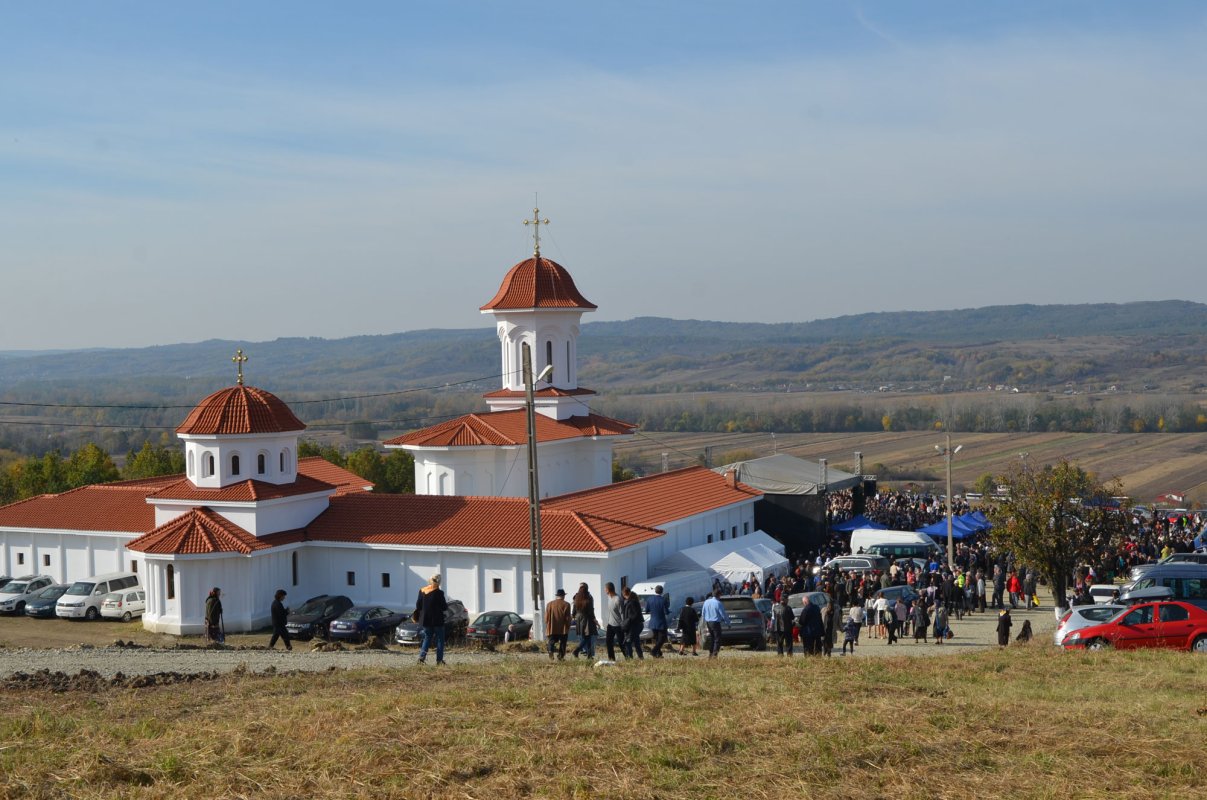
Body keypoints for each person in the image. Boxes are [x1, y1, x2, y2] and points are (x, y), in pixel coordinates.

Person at [416, 573, 448, 665]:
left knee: (427, 638)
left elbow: (418, 606)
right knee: (440, 640)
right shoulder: (439, 593)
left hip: (425, 620)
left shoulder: (422, 591)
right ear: (439, 582)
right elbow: (444, 607)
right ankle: (439, 660)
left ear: (430, 580)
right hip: (438, 621)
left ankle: (421, 658)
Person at [571, 583, 598, 659]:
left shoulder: (576, 597)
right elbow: (591, 610)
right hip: (587, 618)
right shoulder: (589, 597)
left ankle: (589, 655)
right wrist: (594, 620)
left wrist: (573, 616)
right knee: (587, 637)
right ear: (587, 588)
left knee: (585, 637)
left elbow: (574, 610)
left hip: (579, 619)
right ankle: (577, 650)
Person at [700, 589, 730, 659]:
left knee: (712, 638)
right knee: (717, 639)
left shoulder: (706, 602)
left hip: (708, 622)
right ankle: (715, 654)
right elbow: (723, 614)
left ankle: (711, 653)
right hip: (715, 622)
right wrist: (728, 623)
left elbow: (703, 613)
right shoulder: (718, 603)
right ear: (719, 595)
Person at [545, 588, 572, 661]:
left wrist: (547, 624)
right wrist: (568, 625)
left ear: (557, 596)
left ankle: (550, 650)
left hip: (552, 627)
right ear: (563, 596)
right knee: (563, 642)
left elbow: (546, 617)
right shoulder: (566, 604)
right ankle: (560, 656)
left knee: (551, 641)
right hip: (562, 628)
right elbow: (567, 617)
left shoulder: (549, 604)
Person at [620, 586, 645, 660]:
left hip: (634, 625)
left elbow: (634, 615)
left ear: (624, 594)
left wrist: (627, 622)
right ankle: (640, 657)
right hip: (636, 625)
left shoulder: (632, 602)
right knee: (636, 641)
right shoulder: (632, 601)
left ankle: (630, 658)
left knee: (627, 642)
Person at [645, 584, 669, 658]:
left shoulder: (649, 599)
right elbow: (666, 611)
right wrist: (668, 612)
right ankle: (654, 651)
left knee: (657, 639)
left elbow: (647, 610)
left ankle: (658, 654)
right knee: (662, 639)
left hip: (653, 622)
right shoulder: (663, 600)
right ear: (662, 591)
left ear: (655, 591)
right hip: (661, 622)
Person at [603, 582, 626, 660]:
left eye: (605, 589)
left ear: (608, 589)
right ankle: (611, 659)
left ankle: (628, 658)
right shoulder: (609, 597)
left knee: (621, 643)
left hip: (618, 625)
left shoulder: (618, 599)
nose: (604, 590)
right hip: (610, 624)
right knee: (608, 641)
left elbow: (622, 613)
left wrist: (624, 626)